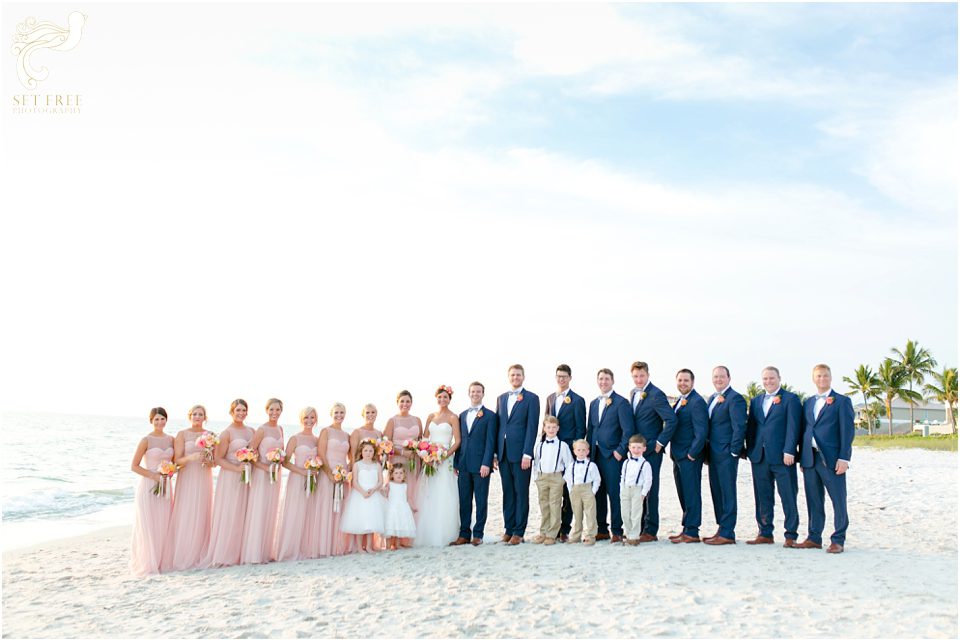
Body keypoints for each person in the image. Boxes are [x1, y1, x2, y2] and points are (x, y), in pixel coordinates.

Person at [799, 364, 854, 554]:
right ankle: (814, 537)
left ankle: (838, 539)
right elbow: (805, 429)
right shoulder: (808, 402)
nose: (822, 379)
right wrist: (802, 457)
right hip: (809, 457)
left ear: (830, 378)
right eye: (818, 376)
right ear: (814, 379)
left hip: (831, 458)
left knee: (838, 500)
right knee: (813, 499)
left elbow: (847, 432)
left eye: (825, 376)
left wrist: (844, 458)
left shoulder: (842, 401)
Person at [745, 366, 802, 547]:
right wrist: (751, 449)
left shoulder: (790, 399)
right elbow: (752, 427)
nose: (768, 382)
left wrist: (790, 450)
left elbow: (794, 427)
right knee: (762, 496)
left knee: (788, 495)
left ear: (779, 378)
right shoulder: (756, 401)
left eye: (771, 378)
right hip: (759, 456)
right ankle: (765, 533)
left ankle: (790, 534)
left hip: (783, 457)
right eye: (765, 379)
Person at [160, 404, 214, 571]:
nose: (197, 417)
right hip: (187, 476)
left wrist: (208, 460)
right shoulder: (182, 434)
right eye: (195, 414)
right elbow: (177, 461)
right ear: (190, 416)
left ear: (205, 417)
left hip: (204, 476)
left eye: (201, 414)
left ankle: (199, 552)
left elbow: (214, 462)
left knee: (201, 511)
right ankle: (182, 552)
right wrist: (191, 457)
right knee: (186, 512)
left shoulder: (210, 436)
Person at [629, 361, 677, 543]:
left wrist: (660, 442)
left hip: (651, 451)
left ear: (648, 375)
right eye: (635, 376)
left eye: (641, 376)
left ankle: (650, 530)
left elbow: (671, 420)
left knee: (651, 489)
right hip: (636, 452)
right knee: (637, 488)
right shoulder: (633, 393)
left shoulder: (656, 394)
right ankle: (639, 527)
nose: (639, 379)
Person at [203, 399, 255, 567]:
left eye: (243, 410)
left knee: (244, 512)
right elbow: (218, 459)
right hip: (231, 476)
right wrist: (236, 468)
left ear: (247, 412)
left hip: (246, 476)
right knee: (230, 512)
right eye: (237, 410)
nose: (241, 413)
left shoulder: (251, 431)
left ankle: (241, 552)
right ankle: (225, 554)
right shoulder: (227, 433)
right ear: (231, 412)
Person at [586, 367, 633, 543]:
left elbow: (628, 430)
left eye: (606, 379)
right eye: (600, 379)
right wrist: (587, 454)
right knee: (597, 493)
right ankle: (601, 529)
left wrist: (620, 451)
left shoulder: (621, 403)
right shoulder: (593, 403)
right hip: (595, 455)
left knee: (615, 494)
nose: (603, 382)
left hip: (613, 456)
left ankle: (617, 530)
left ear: (612, 381)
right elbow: (591, 429)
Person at [496, 364, 540, 545]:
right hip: (503, 453)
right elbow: (499, 426)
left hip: (522, 454)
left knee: (521, 492)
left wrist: (527, 453)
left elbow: (532, 427)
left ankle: (519, 531)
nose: (515, 377)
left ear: (523, 377)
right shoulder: (501, 398)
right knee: (507, 492)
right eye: (512, 375)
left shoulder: (531, 398)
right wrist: (495, 453)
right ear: (509, 377)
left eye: (518, 375)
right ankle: (509, 528)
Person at [704, 366, 747, 546]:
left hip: (727, 454)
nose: (718, 379)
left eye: (722, 376)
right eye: (715, 377)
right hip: (713, 453)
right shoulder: (713, 398)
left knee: (728, 492)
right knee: (717, 491)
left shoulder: (735, 398)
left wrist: (734, 451)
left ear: (729, 378)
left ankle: (728, 532)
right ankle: (721, 528)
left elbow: (739, 427)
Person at [543, 364, 586, 542]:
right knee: (552, 492)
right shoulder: (550, 398)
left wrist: (574, 450)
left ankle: (564, 528)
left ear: (570, 378)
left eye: (564, 376)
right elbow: (545, 423)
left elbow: (580, 427)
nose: (561, 379)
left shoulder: (578, 400)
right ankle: (551, 526)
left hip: (568, 451)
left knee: (567, 493)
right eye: (558, 376)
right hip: (551, 452)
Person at [130, 407, 175, 575]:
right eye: (156, 419)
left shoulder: (171, 439)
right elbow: (134, 466)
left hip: (166, 485)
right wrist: (153, 476)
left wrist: (169, 471)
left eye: (162, 419)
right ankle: (149, 561)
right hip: (148, 486)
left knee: (164, 522)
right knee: (149, 524)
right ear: (151, 421)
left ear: (166, 420)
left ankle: (162, 560)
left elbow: (176, 464)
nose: (159, 422)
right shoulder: (146, 440)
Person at [415, 385, 461, 547]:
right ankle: (427, 532)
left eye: (445, 397)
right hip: (430, 459)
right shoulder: (430, 416)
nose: (442, 400)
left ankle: (447, 532)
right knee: (429, 493)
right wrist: (426, 454)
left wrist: (443, 456)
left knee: (444, 492)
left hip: (444, 459)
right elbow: (425, 438)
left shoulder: (453, 417)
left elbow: (458, 441)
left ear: (449, 399)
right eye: (439, 397)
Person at [241, 398, 285, 564]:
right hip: (261, 474)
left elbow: (282, 452)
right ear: (267, 410)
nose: (274, 413)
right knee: (259, 509)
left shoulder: (280, 429)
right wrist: (265, 467)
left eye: (277, 410)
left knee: (270, 509)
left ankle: (266, 552)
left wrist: (278, 462)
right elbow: (249, 456)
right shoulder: (261, 430)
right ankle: (254, 554)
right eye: (271, 410)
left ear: (281, 411)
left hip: (275, 475)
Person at [452, 381, 496, 546]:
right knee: (464, 500)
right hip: (463, 464)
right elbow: (460, 441)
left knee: (481, 500)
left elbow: (490, 442)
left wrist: (487, 463)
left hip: (481, 466)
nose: (475, 394)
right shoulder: (462, 415)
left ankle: (478, 534)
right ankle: (464, 534)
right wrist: (456, 462)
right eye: (473, 391)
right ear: (469, 393)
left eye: (478, 392)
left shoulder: (490, 416)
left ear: (483, 394)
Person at [275, 407, 320, 562]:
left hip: (312, 480)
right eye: (306, 417)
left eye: (312, 418)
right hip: (297, 478)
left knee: (308, 512)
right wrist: (302, 472)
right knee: (295, 511)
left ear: (316, 420)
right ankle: (289, 549)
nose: (309, 421)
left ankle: (305, 548)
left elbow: (320, 459)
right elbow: (285, 462)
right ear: (301, 419)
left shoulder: (317, 440)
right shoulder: (295, 438)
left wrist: (315, 469)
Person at [669, 370, 708, 544]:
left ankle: (692, 531)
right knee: (683, 492)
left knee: (691, 492)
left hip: (689, 456)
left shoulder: (697, 402)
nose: (683, 383)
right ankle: (686, 527)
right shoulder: (680, 400)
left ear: (692, 382)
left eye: (686, 380)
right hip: (677, 455)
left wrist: (693, 453)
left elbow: (701, 431)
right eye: (680, 380)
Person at [383, 389, 423, 547]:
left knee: (411, 495)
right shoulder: (392, 421)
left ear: (411, 403)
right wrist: (401, 451)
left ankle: (407, 537)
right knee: (396, 499)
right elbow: (385, 445)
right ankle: (394, 538)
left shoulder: (417, 420)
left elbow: (422, 441)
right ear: (397, 403)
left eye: (408, 401)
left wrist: (418, 451)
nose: (405, 404)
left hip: (414, 462)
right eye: (402, 401)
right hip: (398, 462)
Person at [315, 402, 350, 556]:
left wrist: (345, 472)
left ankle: (337, 546)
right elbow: (321, 454)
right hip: (327, 474)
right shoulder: (326, 431)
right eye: (336, 413)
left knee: (340, 509)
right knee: (326, 508)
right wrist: (329, 474)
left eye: (342, 413)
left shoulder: (346, 435)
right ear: (331, 414)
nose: (339, 416)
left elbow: (351, 458)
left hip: (342, 476)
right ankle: (323, 547)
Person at [532, 415, 573, 545]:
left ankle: (552, 533)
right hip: (542, 477)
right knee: (543, 504)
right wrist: (537, 478)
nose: (551, 430)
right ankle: (543, 532)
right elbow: (537, 462)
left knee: (554, 504)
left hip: (556, 477)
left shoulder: (563, 445)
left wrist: (563, 479)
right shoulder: (539, 445)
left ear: (558, 428)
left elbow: (569, 464)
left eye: (554, 427)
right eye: (548, 427)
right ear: (544, 428)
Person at [340, 440, 385, 552]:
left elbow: (380, 481)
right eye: (366, 450)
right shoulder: (357, 465)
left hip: (373, 494)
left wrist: (373, 490)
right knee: (359, 521)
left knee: (371, 521)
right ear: (361, 452)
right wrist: (363, 492)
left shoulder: (377, 465)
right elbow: (354, 482)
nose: (368, 453)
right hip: (360, 495)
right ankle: (360, 547)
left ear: (374, 452)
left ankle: (369, 546)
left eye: (370, 450)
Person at [563, 439, 601, 545]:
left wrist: (593, 491)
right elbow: (568, 479)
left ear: (588, 451)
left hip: (587, 489)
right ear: (574, 451)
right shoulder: (571, 465)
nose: (581, 452)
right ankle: (576, 535)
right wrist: (571, 490)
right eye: (578, 450)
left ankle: (591, 536)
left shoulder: (592, 465)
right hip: (575, 490)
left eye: (583, 450)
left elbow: (597, 479)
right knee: (577, 513)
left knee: (590, 513)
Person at [619, 434, 653, 546]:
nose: (636, 450)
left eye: (639, 447)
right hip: (625, 489)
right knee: (625, 513)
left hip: (637, 490)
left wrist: (643, 493)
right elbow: (622, 476)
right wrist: (621, 489)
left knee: (636, 514)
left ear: (644, 449)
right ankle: (628, 533)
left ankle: (634, 537)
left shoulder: (645, 464)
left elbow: (648, 480)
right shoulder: (626, 462)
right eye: (633, 447)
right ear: (629, 448)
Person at [382, 465, 417, 550]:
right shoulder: (390, 484)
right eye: (396, 473)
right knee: (390, 526)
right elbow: (385, 496)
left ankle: (397, 545)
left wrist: (413, 507)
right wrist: (384, 490)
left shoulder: (405, 485)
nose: (399, 475)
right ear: (392, 475)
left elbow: (408, 498)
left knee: (399, 527)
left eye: (401, 473)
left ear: (404, 475)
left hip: (402, 508)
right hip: (392, 508)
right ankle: (387, 546)